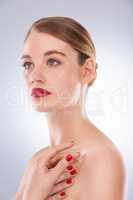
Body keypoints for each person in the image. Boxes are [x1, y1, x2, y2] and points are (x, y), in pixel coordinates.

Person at [15, 16, 126, 199]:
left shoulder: (101, 159)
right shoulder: (38, 163)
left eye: (52, 61)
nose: (34, 76)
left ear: (86, 71)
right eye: (28, 64)